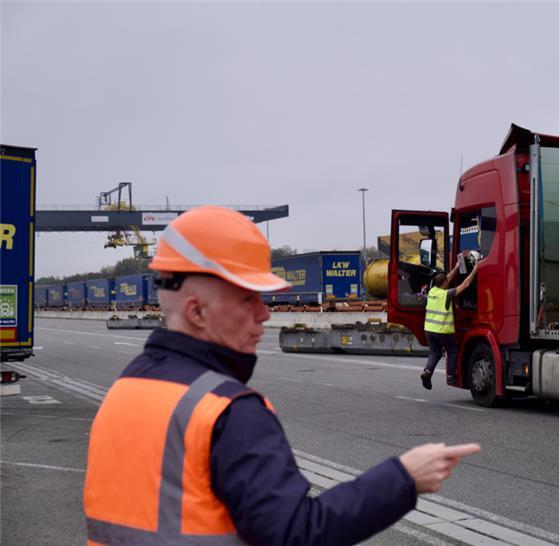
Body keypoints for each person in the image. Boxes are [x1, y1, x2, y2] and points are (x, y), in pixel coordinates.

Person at [83, 206, 480, 546]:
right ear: (196, 311)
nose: (265, 313)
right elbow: (298, 533)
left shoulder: (126, 389)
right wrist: (404, 478)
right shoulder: (227, 413)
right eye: (247, 298)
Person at [419, 252, 479, 390]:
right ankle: (451, 375)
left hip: (429, 330)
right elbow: (465, 284)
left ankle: (427, 372)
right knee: (452, 350)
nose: (448, 282)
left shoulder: (432, 291)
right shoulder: (446, 294)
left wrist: (458, 267)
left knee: (435, 353)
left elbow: (447, 278)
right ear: (444, 284)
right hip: (442, 331)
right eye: (447, 282)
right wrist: (475, 270)